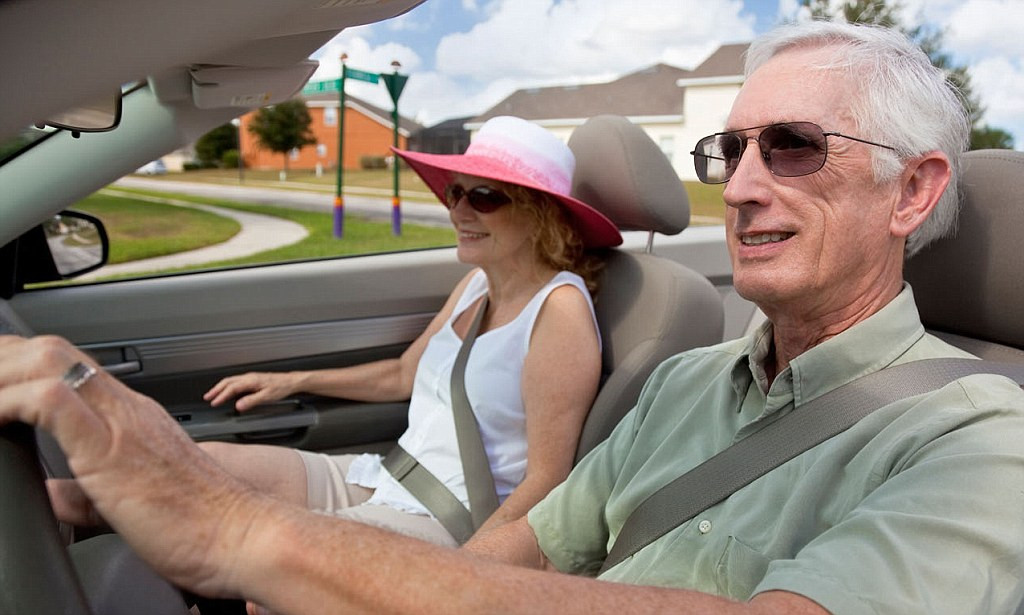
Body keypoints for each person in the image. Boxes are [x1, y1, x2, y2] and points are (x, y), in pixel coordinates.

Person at [1, 20, 1023, 615]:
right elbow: (531, 543)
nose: (742, 186)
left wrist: (249, 538)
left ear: (912, 192)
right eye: (730, 151)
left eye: (793, 145)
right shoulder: (683, 382)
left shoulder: (983, 440)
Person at [195, 114, 622, 546]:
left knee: (276, 560)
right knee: (198, 468)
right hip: (391, 477)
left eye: (485, 196)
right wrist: (292, 381)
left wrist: (472, 566)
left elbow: (546, 481)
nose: (457, 210)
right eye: (455, 192)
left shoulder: (559, 311)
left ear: (539, 214)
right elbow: (402, 375)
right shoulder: (477, 284)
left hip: (452, 520)